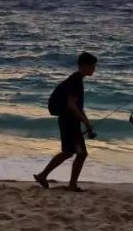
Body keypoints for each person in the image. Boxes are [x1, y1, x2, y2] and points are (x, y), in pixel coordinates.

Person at [34, 51, 97, 191]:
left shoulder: (75, 79)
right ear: (84, 66)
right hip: (70, 122)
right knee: (81, 153)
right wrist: (85, 123)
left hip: (67, 120)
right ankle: (71, 184)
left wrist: (87, 122)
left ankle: (43, 175)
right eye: (92, 66)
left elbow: (78, 107)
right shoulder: (76, 81)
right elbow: (71, 105)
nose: (94, 69)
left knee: (69, 152)